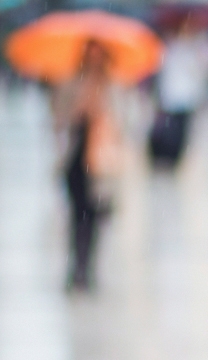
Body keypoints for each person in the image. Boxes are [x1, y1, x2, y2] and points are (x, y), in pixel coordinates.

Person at [52, 40, 121, 292]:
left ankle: (89, 268)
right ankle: (75, 268)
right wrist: (76, 110)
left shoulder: (113, 87)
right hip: (75, 159)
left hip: (100, 163)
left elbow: (123, 124)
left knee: (94, 218)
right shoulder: (71, 83)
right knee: (76, 216)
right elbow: (57, 118)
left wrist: (101, 113)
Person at [149, 26, 208, 168]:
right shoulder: (169, 47)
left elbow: (201, 71)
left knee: (181, 130)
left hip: (186, 97)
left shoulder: (195, 49)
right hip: (172, 96)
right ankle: (165, 156)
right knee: (171, 129)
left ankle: (173, 158)